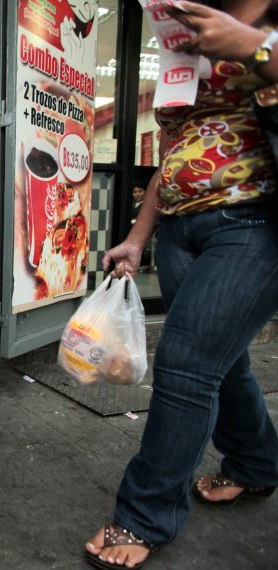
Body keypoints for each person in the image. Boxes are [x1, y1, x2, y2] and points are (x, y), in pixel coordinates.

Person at [86, 1, 278, 568]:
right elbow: (175, 151)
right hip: (179, 227)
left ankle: (144, 516)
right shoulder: (187, 26)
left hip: (253, 224)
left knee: (187, 363)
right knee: (225, 360)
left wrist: (253, 47)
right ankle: (258, 463)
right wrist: (140, 236)